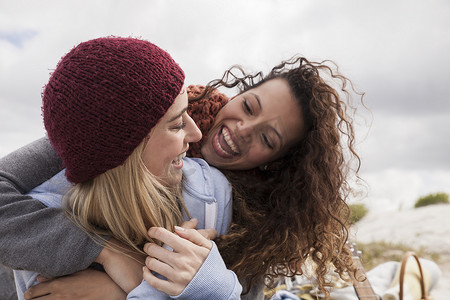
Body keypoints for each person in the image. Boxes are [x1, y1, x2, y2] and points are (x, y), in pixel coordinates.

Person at [0, 54, 363, 299]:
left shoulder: (260, 228)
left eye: (268, 138)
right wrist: (104, 251)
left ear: (275, 161)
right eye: (249, 106)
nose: (243, 129)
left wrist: (123, 289)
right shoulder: (139, 112)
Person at [5, 36, 241, 300]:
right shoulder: (41, 236)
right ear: (124, 153)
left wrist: (129, 291)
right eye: (176, 125)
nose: (197, 134)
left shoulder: (213, 195)